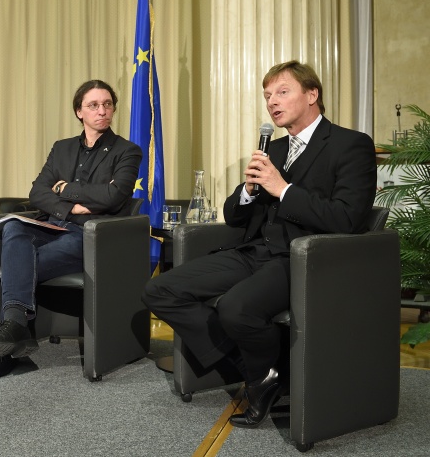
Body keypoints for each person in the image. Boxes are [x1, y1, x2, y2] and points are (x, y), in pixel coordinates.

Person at [142, 61, 376, 428]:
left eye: (282, 92)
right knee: (160, 290)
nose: (272, 102)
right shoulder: (275, 149)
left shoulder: (351, 145)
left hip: (302, 259)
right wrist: (250, 191)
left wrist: (282, 189)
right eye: (268, 96)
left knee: (235, 309)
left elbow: (347, 219)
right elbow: (233, 215)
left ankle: (261, 372)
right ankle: (262, 368)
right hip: (252, 252)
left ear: (312, 95)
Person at [0, 79, 143, 379]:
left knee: (18, 264)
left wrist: (68, 190)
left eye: (107, 104)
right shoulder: (62, 148)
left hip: (91, 235)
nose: (102, 111)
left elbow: (114, 196)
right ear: (79, 111)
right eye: (93, 105)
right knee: (14, 226)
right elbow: (38, 192)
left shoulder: (127, 151)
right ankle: (16, 333)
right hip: (52, 225)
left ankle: (12, 334)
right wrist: (74, 205)